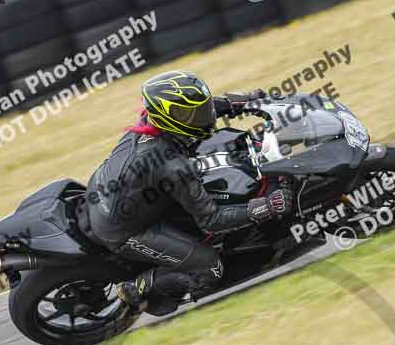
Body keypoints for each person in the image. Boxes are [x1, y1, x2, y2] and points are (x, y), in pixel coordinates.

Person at [75, 70, 293, 316]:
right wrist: (266, 206)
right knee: (211, 269)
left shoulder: (153, 121)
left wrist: (240, 102)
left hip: (110, 194)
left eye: (201, 109)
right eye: (190, 113)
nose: (201, 116)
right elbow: (212, 220)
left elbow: (201, 110)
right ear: (168, 116)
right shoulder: (172, 165)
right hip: (124, 231)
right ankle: (137, 286)